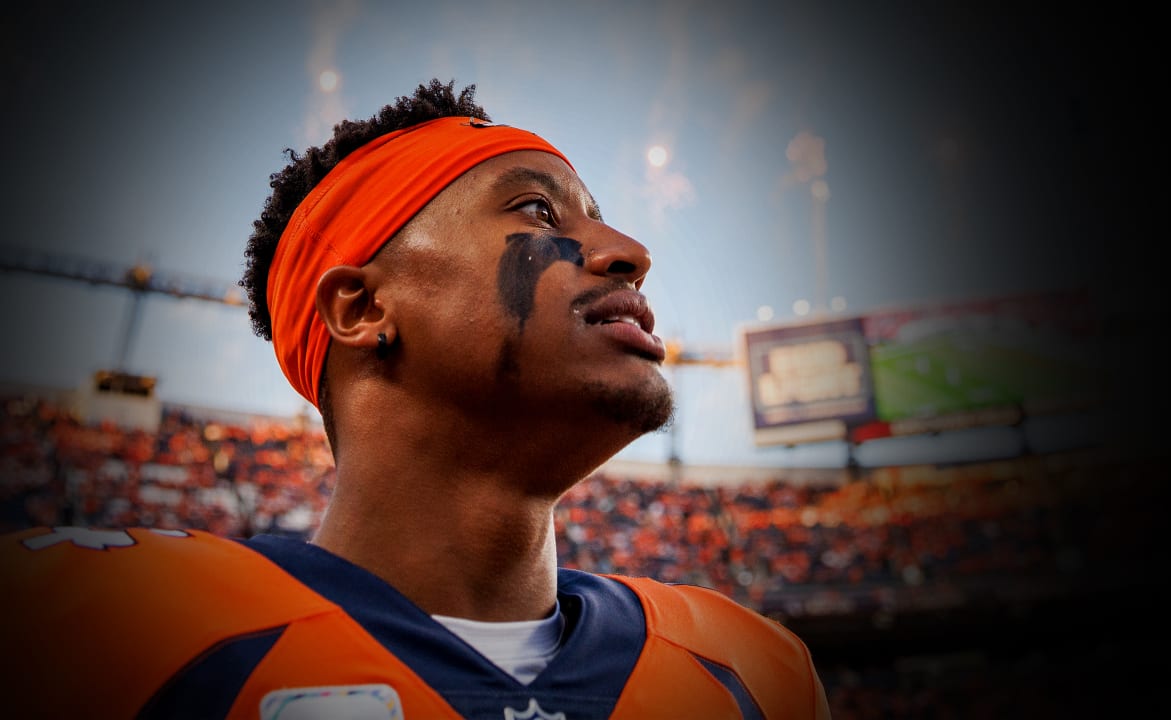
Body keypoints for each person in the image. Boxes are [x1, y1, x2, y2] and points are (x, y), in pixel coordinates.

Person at [0, 79, 830, 719]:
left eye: (602, 220)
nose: (630, 253)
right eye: (538, 208)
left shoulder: (754, 669)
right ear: (363, 308)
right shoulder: (95, 630)